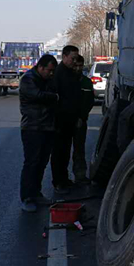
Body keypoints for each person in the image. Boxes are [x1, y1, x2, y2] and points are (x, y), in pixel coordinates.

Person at [18, 54, 59, 213]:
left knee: (42, 163)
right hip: (32, 128)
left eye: (53, 71)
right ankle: (27, 197)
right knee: (31, 163)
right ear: (40, 67)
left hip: (47, 126)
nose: (51, 73)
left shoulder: (47, 80)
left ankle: (36, 193)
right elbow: (38, 96)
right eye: (49, 70)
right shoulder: (28, 79)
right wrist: (55, 96)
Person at [51, 44, 81, 194]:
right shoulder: (58, 73)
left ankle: (64, 179)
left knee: (66, 151)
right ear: (64, 57)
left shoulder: (71, 72)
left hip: (70, 119)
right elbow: (56, 98)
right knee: (58, 153)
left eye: (76, 58)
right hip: (60, 120)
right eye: (72, 58)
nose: (74, 61)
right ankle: (58, 181)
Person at [71, 54, 95, 184]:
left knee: (79, 150)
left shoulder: (86, 82)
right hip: (66, 121)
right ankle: (61, 179)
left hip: (80, 121)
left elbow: (89, 102)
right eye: (76, 65)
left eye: (80, 66)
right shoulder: (66, 80)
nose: (78, 68)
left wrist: (82, 117)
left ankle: (80, 175)